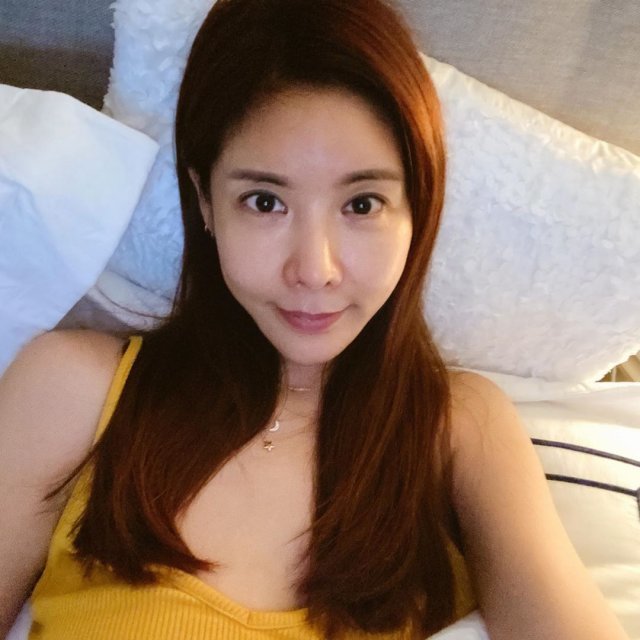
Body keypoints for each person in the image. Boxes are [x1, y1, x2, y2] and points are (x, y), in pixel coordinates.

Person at [0, 0, 631, 639]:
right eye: (264, 201)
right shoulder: (76, 392)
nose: (314, 269)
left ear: (418, 208)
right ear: (206, 202)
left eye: (362, 204)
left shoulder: (460, 430)